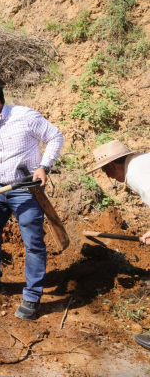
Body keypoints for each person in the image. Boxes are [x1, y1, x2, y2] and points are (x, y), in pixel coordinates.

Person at [0, 78, 64, 320]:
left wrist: (43, 167)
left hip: (26, 190)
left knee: (33, 242)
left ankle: (32, 296)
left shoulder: (25, 117)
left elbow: (55, 137)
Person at [86, 139, 150, 349]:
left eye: (105, 171)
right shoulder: (141, 163)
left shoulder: (138, 173)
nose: (108, 176)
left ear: (112, 165)